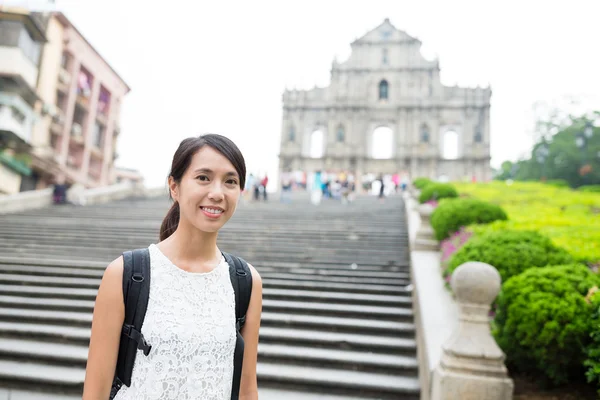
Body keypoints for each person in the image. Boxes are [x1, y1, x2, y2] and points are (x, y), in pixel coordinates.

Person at [83, 134, 263, 400]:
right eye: (203, 177)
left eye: (230, 181)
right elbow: (96, 392)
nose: (217, 193)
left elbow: (247, 390)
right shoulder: (126, 273)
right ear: (174, 187)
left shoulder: (245, 281)